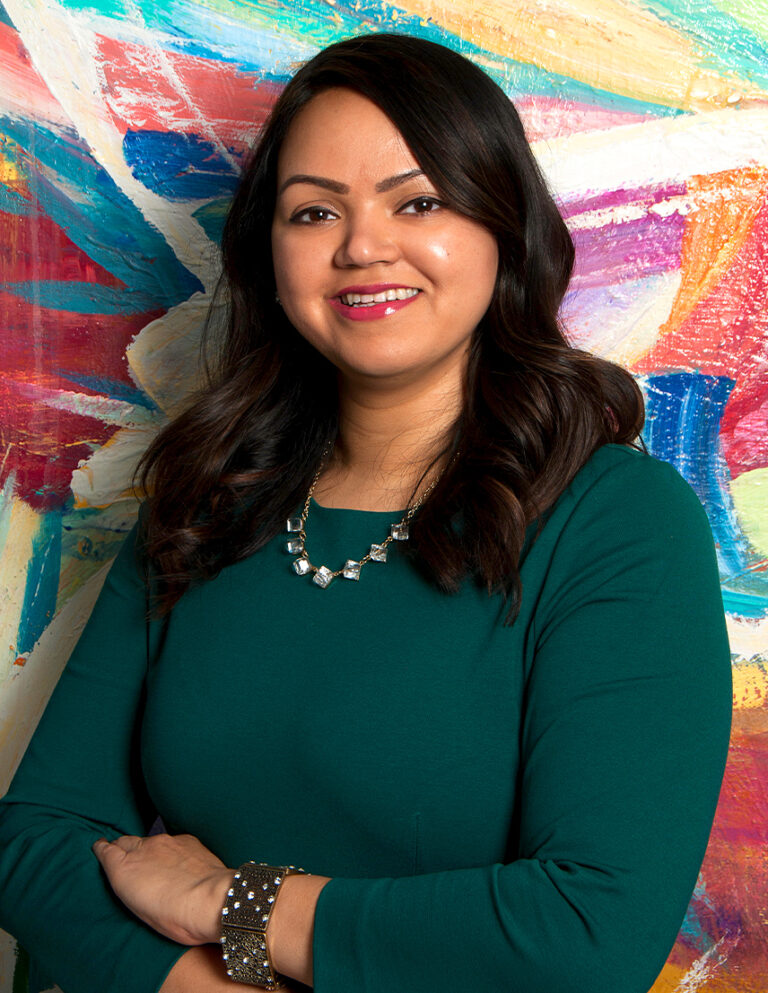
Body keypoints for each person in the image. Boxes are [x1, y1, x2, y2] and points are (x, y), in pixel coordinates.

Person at [0, 32, 731, 993]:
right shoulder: (207, 500)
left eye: (417, 201)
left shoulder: (619, 522)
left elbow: (592, 935)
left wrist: (235, 903)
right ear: (270, 255)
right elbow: (36, 840)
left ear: (503, 225)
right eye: (314, 211)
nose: (361, 247)